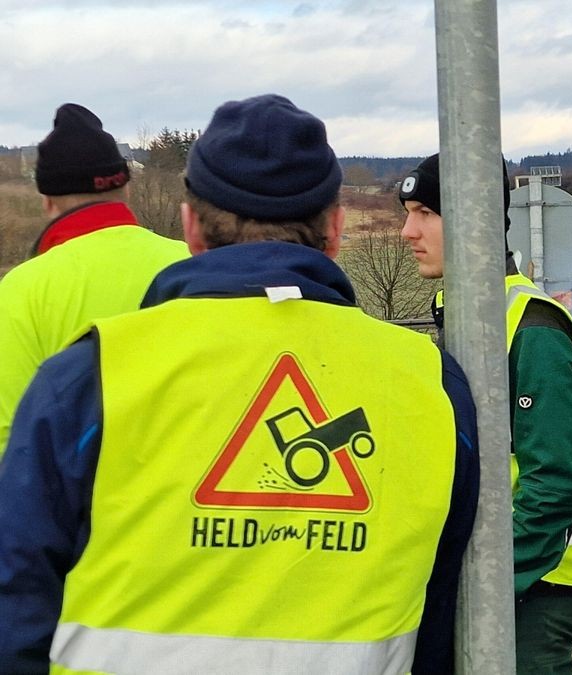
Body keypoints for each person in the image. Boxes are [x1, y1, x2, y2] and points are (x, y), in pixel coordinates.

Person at [0, 95, 479, 675]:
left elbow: (17, 607)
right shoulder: (430, 382)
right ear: (334, 229)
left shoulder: (84, 379)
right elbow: (446, 611)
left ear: (189, 228)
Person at [399, 154, 572, 674]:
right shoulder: (466, 312)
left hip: (537, 583)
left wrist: (483, 581)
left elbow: (557, 482)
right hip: (501, 573)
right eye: (408, 212)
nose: (408, 230)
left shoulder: (531, 325)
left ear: (474, 217)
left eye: (426, 211)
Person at [0, 103, 188, 456]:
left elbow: (8, 439)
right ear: (126, 190)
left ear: (47, 201)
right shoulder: (191, 262)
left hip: (80, 505)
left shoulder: (21, 290)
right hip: (191, 499)